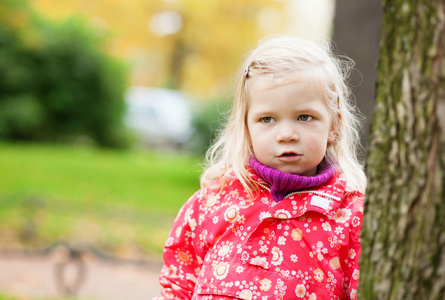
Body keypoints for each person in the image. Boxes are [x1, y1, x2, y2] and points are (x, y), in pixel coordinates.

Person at [154, 35, 367, 300]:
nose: (287, 134)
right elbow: (179, 284)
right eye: (267, 119)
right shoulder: (213, 202)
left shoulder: (352, 217)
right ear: (246, 127)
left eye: (305, 117)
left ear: (334, 124)